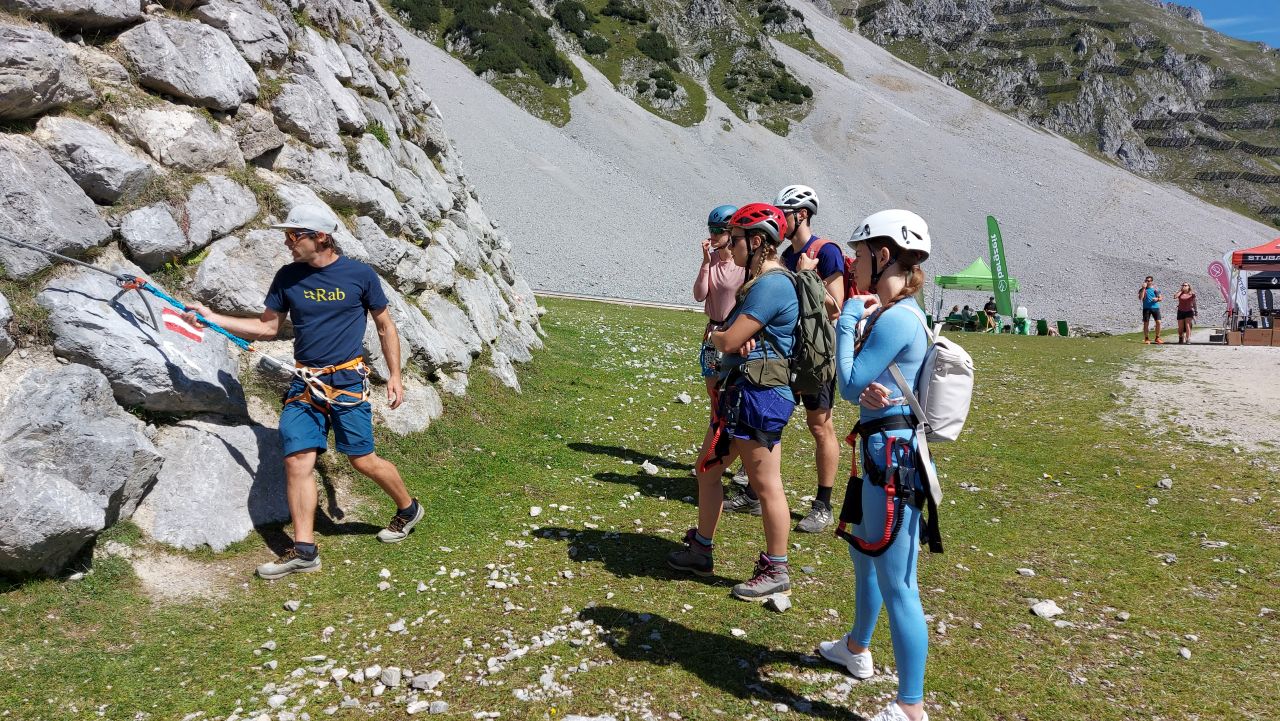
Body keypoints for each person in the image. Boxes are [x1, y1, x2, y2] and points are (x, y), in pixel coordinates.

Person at [183, 205, 423, 580]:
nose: (286, 241)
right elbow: (267, 327)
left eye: (294, 235)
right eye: (288, 235)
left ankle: (408, 509)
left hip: (346, 384)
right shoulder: (288, 278)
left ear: (321, 237)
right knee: (297, 461)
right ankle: (305, 550)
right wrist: (212, 318)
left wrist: (395, 375)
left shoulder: (360, 275)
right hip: (304, 385)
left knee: (362, 460)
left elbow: (384, 326)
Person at [817, 209, 934, 721]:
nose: (852, 264)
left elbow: (845, 383)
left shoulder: (898, 318)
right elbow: (862, 384)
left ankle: (911, 706)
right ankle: (857, 648)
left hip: (891, 459)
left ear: (882, 255)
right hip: (881, 451)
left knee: (898, 582)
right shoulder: (897, 314)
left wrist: (845, 319)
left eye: (859, 255)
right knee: (865, 554)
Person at [668, 203, 799, 601]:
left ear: (756, 241)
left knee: (765, 483)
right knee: (707, 469)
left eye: (738, 238)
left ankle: (776, 568)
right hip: (742, 391)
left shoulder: (771, 284)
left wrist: (724, 338)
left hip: (760, 394)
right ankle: (702, 549)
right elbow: (732, 337)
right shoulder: (760, 281)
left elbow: (726, 338)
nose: (733, 245)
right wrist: (730, 338)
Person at [771, 184, 844, 534]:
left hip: (816, 353)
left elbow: (836, 305)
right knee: (775, 416)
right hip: (789, 348)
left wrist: (805, 275)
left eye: (783, 213)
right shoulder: (785, 255)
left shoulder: (827, 252)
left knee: (820, 426)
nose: (779, 220)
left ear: (800, 215)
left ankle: (824, 505)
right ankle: (759, 490)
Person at [693, 205, 748, 485]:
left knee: (733, 400)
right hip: (712, 334)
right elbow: (699, 294)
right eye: (710, 230)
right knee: (716, 401)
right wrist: (705, 263)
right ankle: (717, 453)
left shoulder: (743, 266)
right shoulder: (712, 259)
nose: (712, 236)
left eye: (718, 231)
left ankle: (740, 459)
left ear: (731, 234)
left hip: (733, 335)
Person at [1139, 275, 1163, 344]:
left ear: (1151, 282)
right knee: (1146, 323)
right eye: (1146, 281)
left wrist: (1157, 299)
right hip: (1146, 308)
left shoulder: (1156, 289)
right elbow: (1141, 298)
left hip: (1155, 307)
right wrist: (1143, 288)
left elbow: (1161, 298)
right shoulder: (1142, 289)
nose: (1147, 282)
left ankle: (1157, 337)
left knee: (1158, 322)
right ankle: (1146, 338)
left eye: (1149, 281)